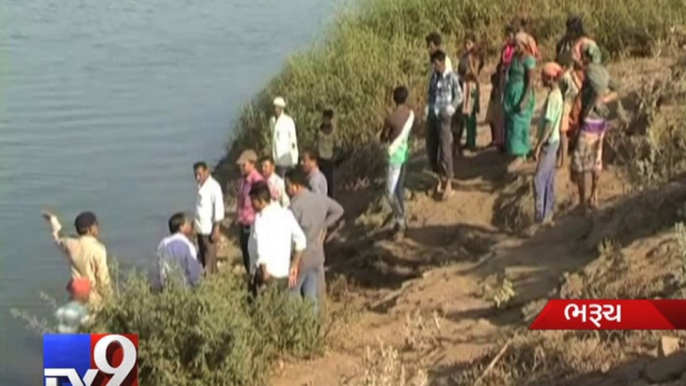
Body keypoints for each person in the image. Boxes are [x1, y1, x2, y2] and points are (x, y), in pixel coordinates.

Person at [285, 167, 344, 313]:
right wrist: (323, 226)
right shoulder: (320, 199)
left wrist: (292, 261)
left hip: (301, 257)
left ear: (296, 186)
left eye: (288, 187)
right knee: (312, 295)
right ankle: (314, 327)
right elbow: (339, 210)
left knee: (293, 293)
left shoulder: (295, 206)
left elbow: (291, 236)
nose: (287, 190)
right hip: (317, 253)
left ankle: (299, 327)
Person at [572, 47, 620, 211]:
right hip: (600, 121)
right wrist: (604, 100)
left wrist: (593, 104)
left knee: (579, 163)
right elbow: (617, 87)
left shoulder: (590, 71)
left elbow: (597, 89)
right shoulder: (603, 71)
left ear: (586, 58)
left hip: (589, 121)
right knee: (596, 160)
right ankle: (595, 195)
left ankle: (582, 201)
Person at [247, 182, 307, 296]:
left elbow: (261, 248)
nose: (251, 205)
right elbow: (301, 241)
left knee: (263, 310)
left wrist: (264, 273)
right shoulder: (286, 214)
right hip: (283, 273)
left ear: (261, 200)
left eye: (253, 201)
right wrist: (294, 265)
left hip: (266, 274)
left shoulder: (261, 219)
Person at [41, 210, 111, 305]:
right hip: (93, 299)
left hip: (75, 296)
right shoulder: (98, 249)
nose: (98, 227)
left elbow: (57, 238)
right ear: (91, 229)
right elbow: (103, 278)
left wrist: (54, 221)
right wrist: (110, 300)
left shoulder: (69, 244)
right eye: (96, 224)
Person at [555, 15, 597, 167]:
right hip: (572, 83)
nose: (568, 32)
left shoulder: (586, 43)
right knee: (571, 115)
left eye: (570, 29)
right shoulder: (565, 44)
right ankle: (571, 146)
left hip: (581, 82)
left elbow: (593, 63)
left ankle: (576, 149)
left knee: (577, 114)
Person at [531, 63, 565, 231]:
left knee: (538, 179)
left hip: (549, 142)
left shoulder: (553, 98)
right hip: (555, 141)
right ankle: (548, 214)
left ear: (551, 78)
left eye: (544, 77)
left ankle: (540, 216)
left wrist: (539, 145)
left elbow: (549, 124)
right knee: (548, 178)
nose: (542, 80)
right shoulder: (557, 95)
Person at [426, 50, 463, 200]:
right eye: (433, 64)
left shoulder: (452, 77)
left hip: (444, 116)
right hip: (433, 115)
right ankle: (438, 178)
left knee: (446, 149)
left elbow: (459, 95)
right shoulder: (433, 77)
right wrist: (428, 107)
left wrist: (451, 108)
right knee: (432, 147)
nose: (435, 66)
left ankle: (449, 182)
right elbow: (430, 94)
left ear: (442, 62)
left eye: (436, 63)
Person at [380, 85, 414, 240]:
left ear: (394, 99)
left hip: (394, 157)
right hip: (405, 154)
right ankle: (400, 219)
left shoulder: (391, 117)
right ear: (406, 98)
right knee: (399, 189)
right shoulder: (410, 114)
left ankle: (400, 221)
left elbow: (383, 137)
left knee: (390, 192)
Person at [503, 32, 537, 167]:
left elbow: (530, 82)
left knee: (520, 124)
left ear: (524, 45)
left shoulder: (529, 59)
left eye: (518, 45)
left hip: (522, 93)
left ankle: (521, 153)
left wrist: (524, 100)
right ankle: (514, 151)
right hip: (512, 93)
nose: (516, 48)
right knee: (512, 124)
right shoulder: (515, 57)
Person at [486, 26, 517, 152]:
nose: (508, 38)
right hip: (502, 80)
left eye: (510, 35)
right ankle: (500, 140)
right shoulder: (505, 49)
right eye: (507, 36)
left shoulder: (516, 50)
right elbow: (500, 64)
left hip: (511, 80)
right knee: (500, 110)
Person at [152, 212, 203, 290]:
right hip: (184, 288)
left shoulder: (162, 243)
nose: (190, 226)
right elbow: (194, 274)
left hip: (167, 286)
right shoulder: (187, 245)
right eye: (188, 223)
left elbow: (160, 266)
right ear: (181, 227)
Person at [193, 161, 225, 275]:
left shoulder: (214, 187)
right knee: (203, 257)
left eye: (200, 174)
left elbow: (219, 209)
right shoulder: (201, 186)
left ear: (207, 172)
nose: (197, 177)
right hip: (200, 229)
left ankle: (211, 283)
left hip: (209, 229)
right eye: (195, 175)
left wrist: (216, 229)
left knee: (209, 258)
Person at [235, 150, 264, 274]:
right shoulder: (244, 181)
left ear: (252, 164)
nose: (241, 168)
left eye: (244, 165)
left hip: (252, 223)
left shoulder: (257, 181)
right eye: (240, 165)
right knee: (246, 256)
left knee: (252, 256)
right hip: (244, 223)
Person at [455, 33, 484, 155]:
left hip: (471, 85)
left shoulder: (475, 56)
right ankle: (468, 140)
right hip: (464, 84)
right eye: (465, 43)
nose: (467, 46)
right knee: (465, 114)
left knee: (471, 114)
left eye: (469, 43)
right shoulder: (465, 55)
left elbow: (475, 74)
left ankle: (472, 142)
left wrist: (470, 65)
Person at [269, 97, 299, 177]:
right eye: (274, 107)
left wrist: (294, 158)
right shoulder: (272, 121)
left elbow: (293, 140)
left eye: (277, 107)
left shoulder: (288, 121)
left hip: (286, 157)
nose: (276, 109)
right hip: (276, 157)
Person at [317, 109, 337, 198]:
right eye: (324, 118)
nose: (325, 120)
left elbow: (337, 144)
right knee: (320, 179)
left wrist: (335, 156)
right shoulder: (319, 131)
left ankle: (330, 197)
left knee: (329, 180)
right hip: (321, 157)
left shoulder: (333, 131)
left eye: (327, 118)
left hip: (329, 157)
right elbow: (316, 143)